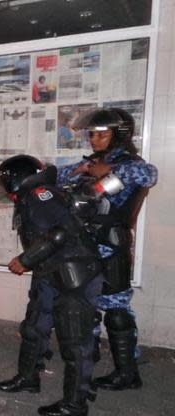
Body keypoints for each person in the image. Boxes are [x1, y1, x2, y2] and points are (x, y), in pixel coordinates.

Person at [0, 155, 104, 416]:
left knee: (75, 342)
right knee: (34, 326)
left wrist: (25, 260)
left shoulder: (40, 195)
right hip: (50, 271)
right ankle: (28, 378)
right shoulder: (31, 195)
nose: (2, 187)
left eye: (4, 181)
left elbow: (60, 233)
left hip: (75, 273)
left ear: (18, 178)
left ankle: (75, 405)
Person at [57, 108, 157, 391]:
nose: (94, 139)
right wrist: (69, 171)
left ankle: (127, 372)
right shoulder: (94, 162)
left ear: (119, 134)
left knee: (115, 308)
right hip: (84, 245)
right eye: (92, 134)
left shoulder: (129, 164)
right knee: (83, 303)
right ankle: (87, 359)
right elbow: (64, 178)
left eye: (102, 134)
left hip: (110, 246)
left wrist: (111, 170)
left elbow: (149, 174)